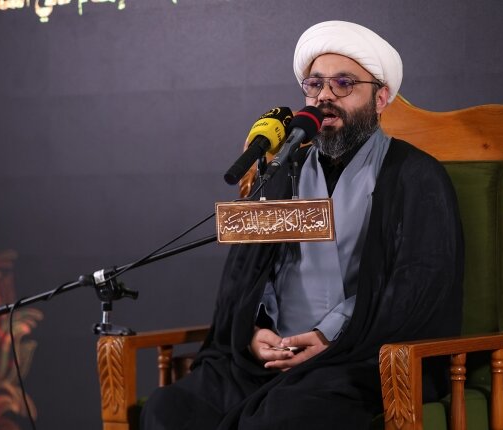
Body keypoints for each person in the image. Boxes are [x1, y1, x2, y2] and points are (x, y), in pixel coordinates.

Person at [141, 20, 463, 430]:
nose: (325, 96)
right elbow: (247, 274)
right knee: (171, 409)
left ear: (380, 98)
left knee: (284, 417)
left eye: (343, 84)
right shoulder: (281, 174)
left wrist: (330, 336)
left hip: (353, 359)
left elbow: (418, 287)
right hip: (270, 356)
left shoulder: (415, 176)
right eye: (315, 84)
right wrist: (254, 331)